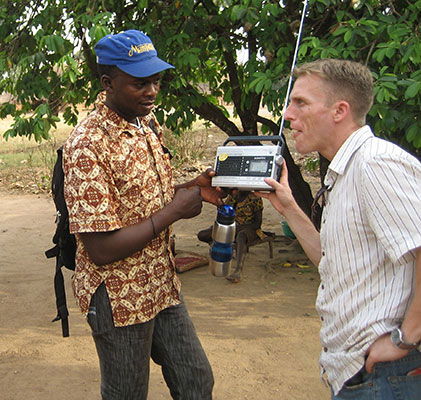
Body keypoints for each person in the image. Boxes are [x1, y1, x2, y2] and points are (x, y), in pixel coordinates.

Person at [62, 29, 224, 400]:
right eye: (140, 83)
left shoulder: (145, 123)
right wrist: (174, 212)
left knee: (196, 381)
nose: (152, 91)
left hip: (161, 283)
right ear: (108, 82)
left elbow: (148, 198)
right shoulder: (87, 145)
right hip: (118, 295)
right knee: (126, 394)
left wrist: (192, 187)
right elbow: (100, 248)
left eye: (156, 80)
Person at [257, 59, 421, 399]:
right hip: (358, 372)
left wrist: (406, 338)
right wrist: (288, 205)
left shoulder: (376, 164)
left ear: (339, 110)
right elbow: (332, 263)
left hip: (388, 374)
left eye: (300, 103)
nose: (288, 114)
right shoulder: (346, 171)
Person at [197, 191, 269, 282]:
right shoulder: (233, 196)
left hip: (250, 228)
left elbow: (257, 224)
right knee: (203, 235)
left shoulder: (255, 198)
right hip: (233, 226)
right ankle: (219, 253)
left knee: (241, 237)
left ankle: (238, 270)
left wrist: (237, 228)